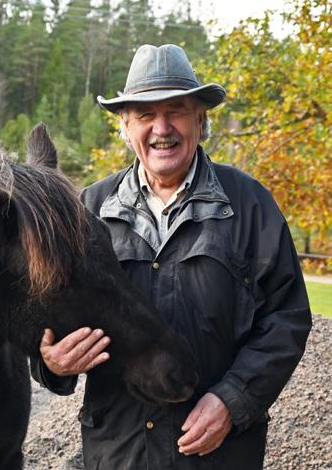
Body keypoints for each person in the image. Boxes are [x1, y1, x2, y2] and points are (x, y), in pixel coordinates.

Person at [32, 44, 312, 469]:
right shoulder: (86, 211)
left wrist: (232, 400)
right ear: (125, 127)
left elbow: (286, 318)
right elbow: (44, 314)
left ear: (201, 120)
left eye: (176, 110)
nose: (162, 128)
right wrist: (52, 363)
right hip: (119, 453)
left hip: (218, 453)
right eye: (145, 114)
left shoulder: (249, 205)